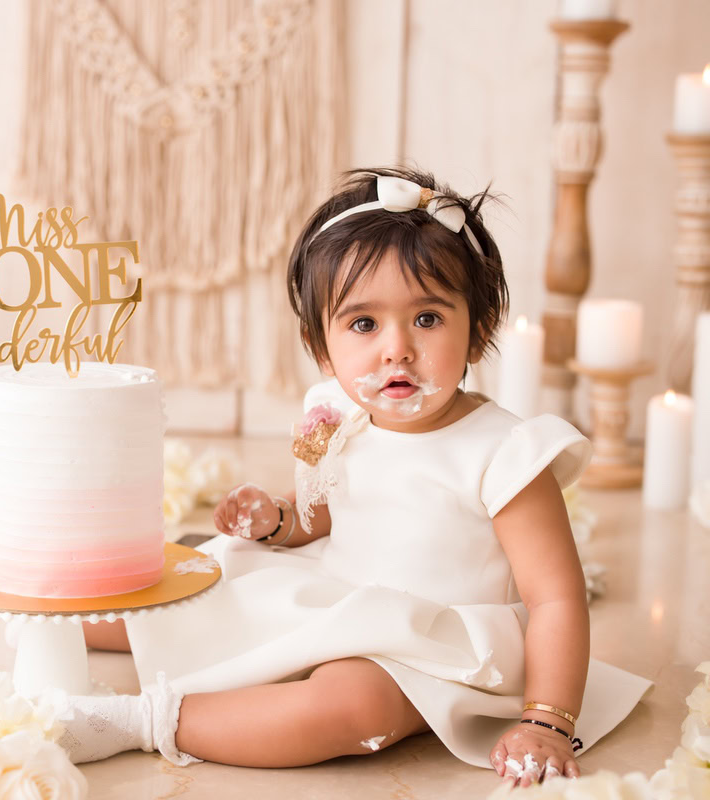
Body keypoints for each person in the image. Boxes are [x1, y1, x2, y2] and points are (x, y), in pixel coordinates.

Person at [51, 167, 652, 788]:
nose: (396, 348)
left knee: (353, 707)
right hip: (337, 593)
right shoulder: (332, 416)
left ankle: (139, 722)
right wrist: (279, 520)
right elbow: (326, 511)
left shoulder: (505, 454)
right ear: (321, 345)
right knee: (206, 584)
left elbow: (556, 597)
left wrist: (547, 721)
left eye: (427, 319)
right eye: (364, 324)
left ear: (477, 332)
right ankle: (51, 621)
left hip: (428, 649)